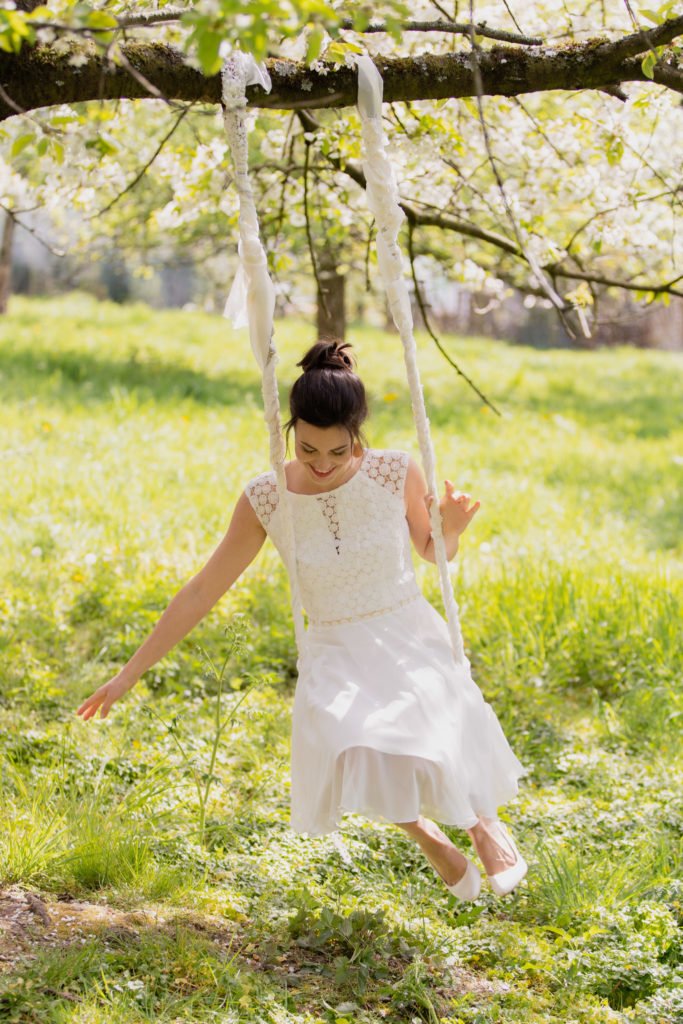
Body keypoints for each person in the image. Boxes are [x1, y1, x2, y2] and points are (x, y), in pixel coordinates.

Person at [77, 338, 529, 901]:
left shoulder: (395, 472)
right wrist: (129, 674)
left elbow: (433, 553)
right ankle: (426, 833)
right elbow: (201, 589)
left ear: (357, 435)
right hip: (334, 643)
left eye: (337, 452)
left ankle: (483, 825)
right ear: (291, 429)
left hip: (403, 627)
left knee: (433, 726)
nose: (320, 464)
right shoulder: (268, 497)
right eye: (309, 448)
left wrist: (453, 528)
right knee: (346, 740)